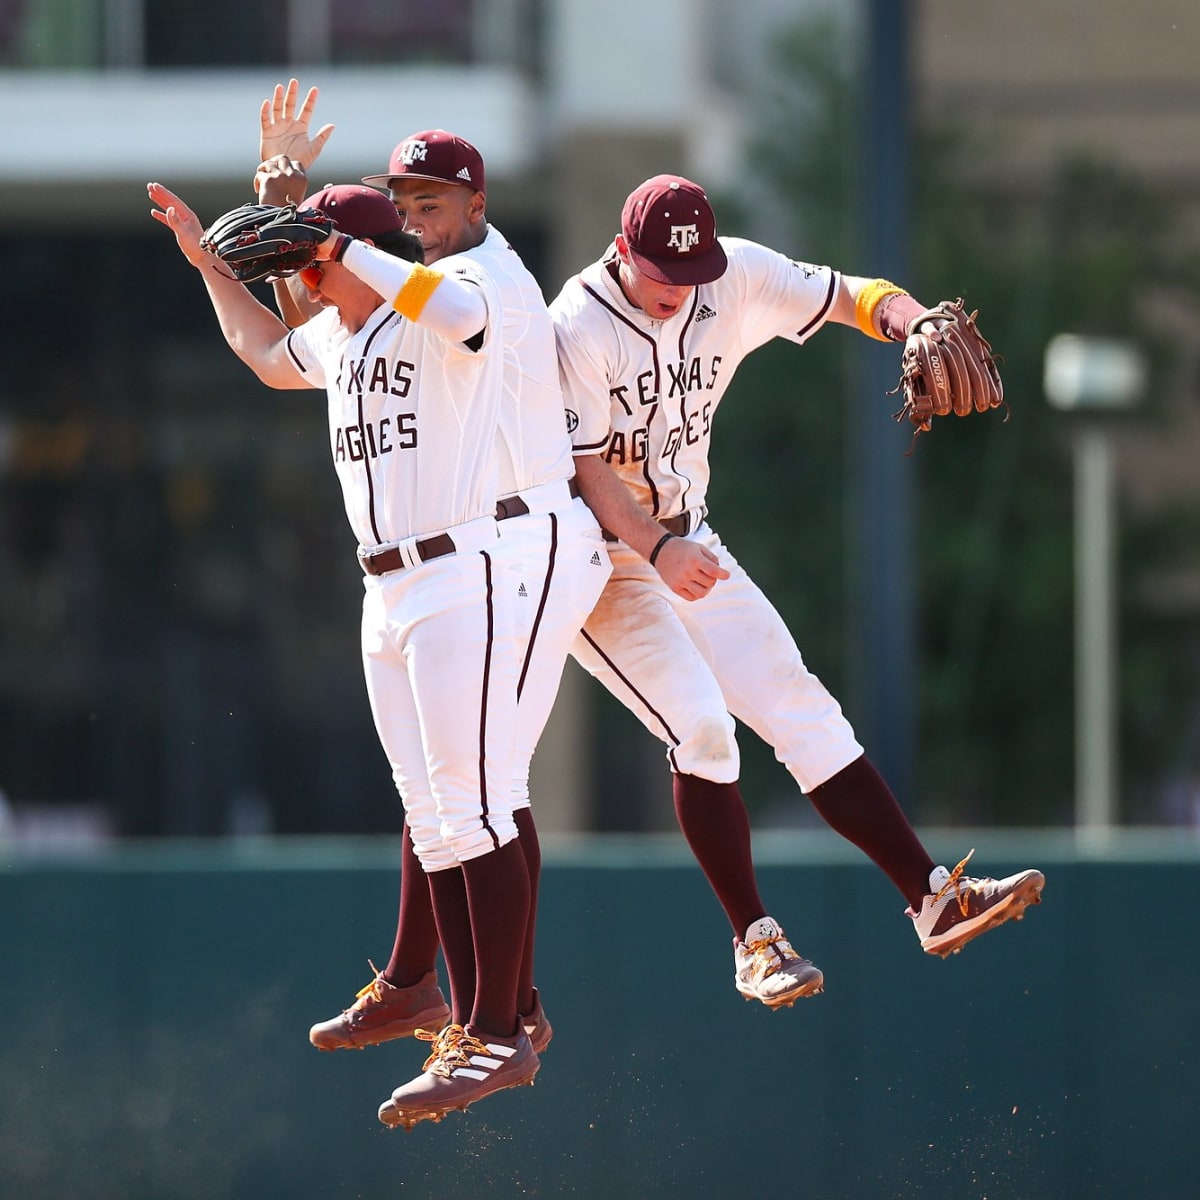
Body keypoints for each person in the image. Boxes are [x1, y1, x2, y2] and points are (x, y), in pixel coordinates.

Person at [253, 83, 824, 1039]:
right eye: (407, 203)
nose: (417, 215)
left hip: (536, 548)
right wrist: (273, 221)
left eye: (431, 200)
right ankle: (435, 998)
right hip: (500, 559)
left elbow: (414, 297)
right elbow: (297, 332)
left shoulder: (486, 280)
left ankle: (495, 1019)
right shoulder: (381, 310)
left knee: (483, 787)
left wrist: (328, 241)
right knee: (458, 786)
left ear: (477, 204)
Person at [550, 173, 1045, 976]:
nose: (679, 290)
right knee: (704, 728)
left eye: (692, 272)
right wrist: (655, 547)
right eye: (661, 274)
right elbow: (578, 467)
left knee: (804, 711)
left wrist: (912, 321)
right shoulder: (576, 321)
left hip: (686, 538)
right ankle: (755, 941)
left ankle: (933, 900)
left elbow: (854, 294)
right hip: (594, 560)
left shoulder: (731, 275)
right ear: (621, 251)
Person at [148, 178, 542, 1130]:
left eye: (311, 263)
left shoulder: (437, 306)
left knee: (478, 806)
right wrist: (210, 267)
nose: (303, 280)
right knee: (437, 817)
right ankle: (464, 1016)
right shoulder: (343, 334)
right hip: (386, 587)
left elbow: (446, 303)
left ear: (354, 255)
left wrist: (346, 249)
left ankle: (502, 1030)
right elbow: (264, 352)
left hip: (461, 571)